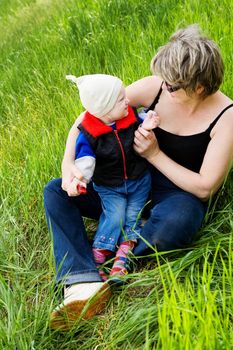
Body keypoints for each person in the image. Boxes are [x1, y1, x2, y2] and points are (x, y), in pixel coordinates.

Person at [44, 24, 233, 330]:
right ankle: (82, 279)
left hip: (177, 193)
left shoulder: (226, 117)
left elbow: (205, 187)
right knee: (56, 191)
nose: (166, 88)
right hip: (124, 183)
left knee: (177, 224)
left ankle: (117, 253)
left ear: (198, 87)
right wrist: (69, 164)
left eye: (173, 85)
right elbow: (88, 118)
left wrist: (155, 154)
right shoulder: (155, 87)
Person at [65, 73, 158, 281]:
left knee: (133, 216)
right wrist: (80, 179)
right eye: (120, 99)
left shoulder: (129, 115)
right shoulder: (90, 133)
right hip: (110, 186)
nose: (127, 100)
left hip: (139, 181)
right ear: (103, 108)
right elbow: (85, 161)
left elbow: (141, 122)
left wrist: (148, 123)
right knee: (115, 216)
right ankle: (99, 257)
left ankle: (122, 259)